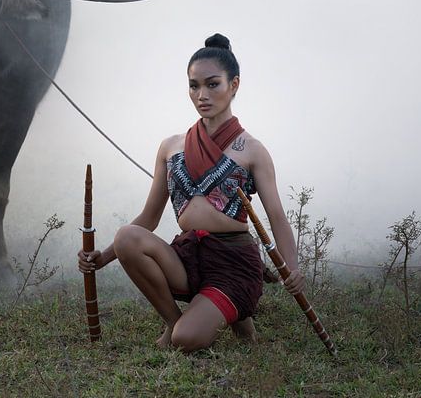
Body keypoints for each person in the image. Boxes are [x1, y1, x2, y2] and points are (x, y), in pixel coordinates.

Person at [78, 33, 304, 352]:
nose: (202, 95)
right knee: (128, 236)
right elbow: (149, 218)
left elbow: (277, 216)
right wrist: (102, 258)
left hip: (232, 263)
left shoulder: (253, 151)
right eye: (194, 85)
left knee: (188, 340)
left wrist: (292, 267)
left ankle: (228, 310)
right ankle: (174, 321)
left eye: (213, 84)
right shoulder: (171, 147)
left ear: (234, 85)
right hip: (188, 257)